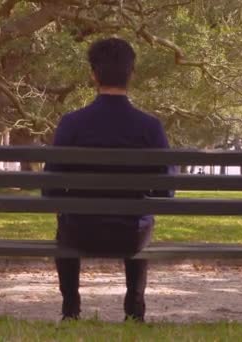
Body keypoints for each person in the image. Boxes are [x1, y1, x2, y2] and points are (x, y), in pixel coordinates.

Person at [43, 38, 172, 322]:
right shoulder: (150, 127)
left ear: (93, 74)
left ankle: (71, 309)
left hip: (79, 232)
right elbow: (166, 191)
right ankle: (135, 310)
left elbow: (50, 186)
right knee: (141, 217)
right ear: (132, 73)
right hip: (131, 236)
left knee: (63, 224)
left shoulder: (71, 123)